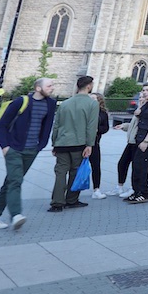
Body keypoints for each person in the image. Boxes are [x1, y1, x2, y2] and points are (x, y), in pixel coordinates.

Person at [0, 78, 58, 231]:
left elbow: (47, 125)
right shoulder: (21, 102)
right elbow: (2, 126)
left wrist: (41, 145)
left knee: (11, 182)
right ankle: (16, 215)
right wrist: (5, 147)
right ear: (38, 88)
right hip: (14, 148)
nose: (52, 88)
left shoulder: (50, 104)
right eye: (49, 85)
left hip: (32, 150)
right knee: (16, 181)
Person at [49, 76, 97, 212]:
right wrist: (89, 144)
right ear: (89, 86)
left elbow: (56, 125)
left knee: (60, 172)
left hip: (62, 142)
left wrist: (54, 143)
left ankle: (57, 202)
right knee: (75, 172)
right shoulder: (92, 104)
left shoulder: (65, 103)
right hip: (79, 143)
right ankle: (71, 199)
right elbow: (91, 126)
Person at [107, 99, 141, 198]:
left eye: (142, 99)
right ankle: (120, 186)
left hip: (137, 143)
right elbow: (133, 126)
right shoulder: (138, 111)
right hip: (130, 142)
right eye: (140, 99)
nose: (140, 100)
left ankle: (133, 188)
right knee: (122, 163)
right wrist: (124, 126)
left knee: (136, 166)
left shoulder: (145, 112)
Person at [88, 93, 111, 199]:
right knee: (77, 167)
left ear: (99, 101)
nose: (91, 100)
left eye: (93, 98)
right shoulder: (85, 110)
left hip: (95, 143)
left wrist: (98, 130)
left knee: (96, 166)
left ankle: (96, 189)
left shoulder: (102, 113)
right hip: (82, 143)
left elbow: (106, 127)